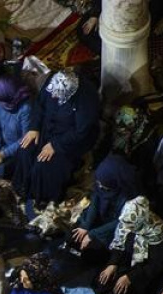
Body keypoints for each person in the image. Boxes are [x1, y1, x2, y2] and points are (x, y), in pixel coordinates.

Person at [11, 70, 100, 206]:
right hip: (46, 129)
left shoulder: (86, 98)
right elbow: (39, 105)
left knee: (43, 166)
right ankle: (23, 188)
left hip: (70, 140)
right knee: (25, 149)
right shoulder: (54, 80)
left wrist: (56, 145)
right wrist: (34, 128)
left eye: (56, 95)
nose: (52, 95)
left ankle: (40, 198)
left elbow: (82, 130)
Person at [93, 197, 163, 294]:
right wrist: (113, 263)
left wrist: (130, 277)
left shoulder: (156, 231)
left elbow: (155, 265)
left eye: (130, 225)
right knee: (102, 282)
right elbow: (119, 245)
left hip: (143, 274)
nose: (127, 227)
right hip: (126, 263)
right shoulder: (127, 220)